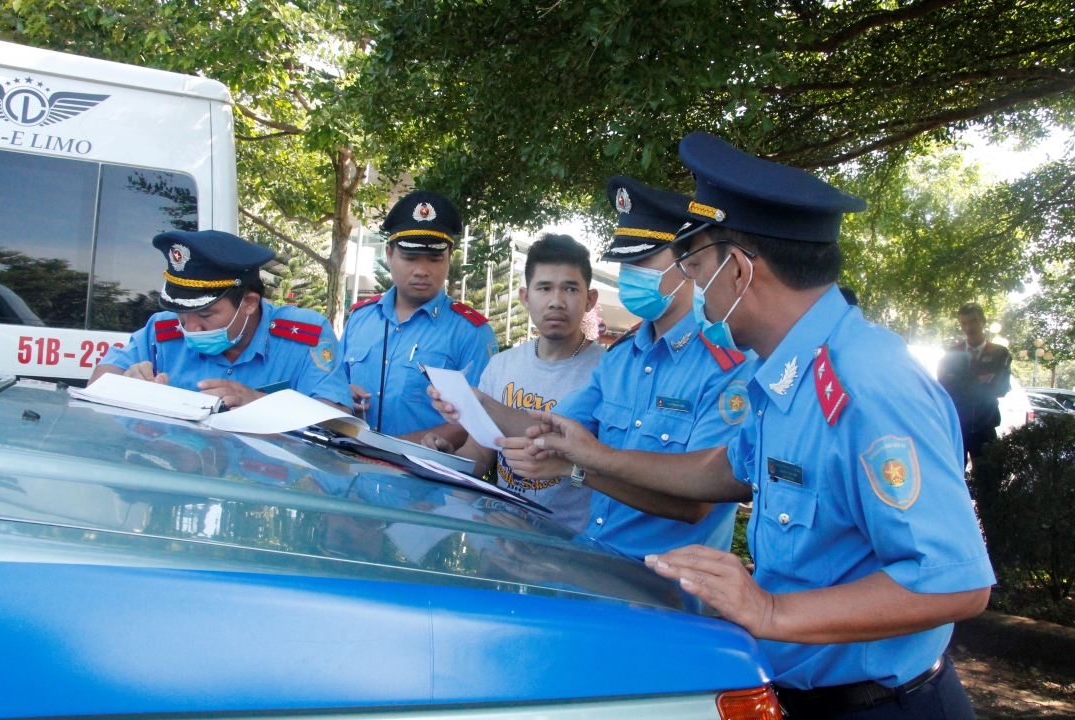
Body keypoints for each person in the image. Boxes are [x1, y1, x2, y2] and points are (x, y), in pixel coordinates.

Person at [516, 134, 993, 719]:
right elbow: (724, 469)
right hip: (800, 693)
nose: (695, 292)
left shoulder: (868, 381)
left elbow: (955, 582)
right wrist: (591, 456)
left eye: (696, 268)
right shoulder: (783, 374)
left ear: (738, 270)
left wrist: (769, 612)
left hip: (884, 706)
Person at [431, 176, 754, 559]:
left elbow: (696, 502)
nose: (631, 273)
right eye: (626, 261)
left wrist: (579, 470)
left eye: (644, 258)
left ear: (688, 263)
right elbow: (552, 430)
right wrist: (480, 403)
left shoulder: (727, 365)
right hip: (597, 566)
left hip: (670, 594)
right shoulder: (621, 359)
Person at [422, 233, 604, 532]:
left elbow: (608, 468)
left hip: (567, 546)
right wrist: (449, 458)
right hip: (498, 535)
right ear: (525, 297)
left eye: (570, 288)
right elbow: (481, 453)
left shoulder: (607, 373)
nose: (556, 301)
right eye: (544, 288)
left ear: (589, 299)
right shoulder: (500, 366)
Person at [92, 230, 351, 411]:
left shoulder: (304, 335)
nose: (190, 328)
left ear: (249, 303)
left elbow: (337, 421)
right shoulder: (161, 331)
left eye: (206, 315)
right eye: (182, 315)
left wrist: (260, 403)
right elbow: (97, 383)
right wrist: (126, 383)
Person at [342, 190, 498, 444]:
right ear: (389, 253)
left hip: (425, 478)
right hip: (350, 472)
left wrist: (388, 449)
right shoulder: (360, 319)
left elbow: (480, 421)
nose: (422, 270)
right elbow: (333, 388)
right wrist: (340, 396)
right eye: (410, 257)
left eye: (435, 258)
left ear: (450, 256)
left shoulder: (471, 333)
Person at [937, 302, 1012, 467]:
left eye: (973, 321)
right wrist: (982, 380)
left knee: (988, 479)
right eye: (963, 323)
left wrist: (962, 382)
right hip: (957, 426)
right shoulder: (952, 354)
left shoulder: (999, 353)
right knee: (956, 477)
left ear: (983, 322)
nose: (968, 327)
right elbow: (944, 389)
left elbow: (1001, 387)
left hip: (985, 426)